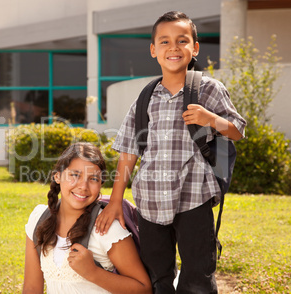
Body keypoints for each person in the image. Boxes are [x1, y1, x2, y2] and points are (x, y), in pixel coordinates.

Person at [95, 11, 246, 294]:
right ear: (154, 50)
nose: (173, 47)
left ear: (195, 47)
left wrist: (210, 119)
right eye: (164, 41)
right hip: (150, 202)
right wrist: (116, 200)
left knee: (198, 278)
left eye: (182, 40)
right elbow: (129, 150)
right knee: (156, 276)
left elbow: (237, 129)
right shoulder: (145, 96)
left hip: (194, 199)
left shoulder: (208, 89)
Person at [22, 142, 152, 294]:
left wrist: (93, 272)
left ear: (101, 184)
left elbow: (144, 289)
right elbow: (31, 288)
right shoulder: (39, 219)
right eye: (75, 175)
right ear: (57, 176)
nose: (83, 186)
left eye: (93, 179)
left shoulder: (106, 228)